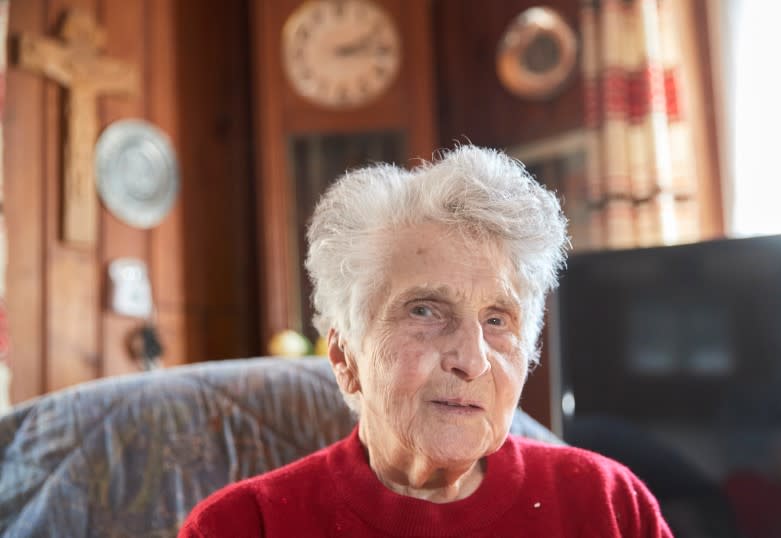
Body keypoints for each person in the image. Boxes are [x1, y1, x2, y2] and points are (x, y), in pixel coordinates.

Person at [179, 145, 673, 537]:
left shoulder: (607, 506)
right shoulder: (241, 527)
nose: (472, 360)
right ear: (345, 357)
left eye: (498, 320)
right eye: (425, 311)